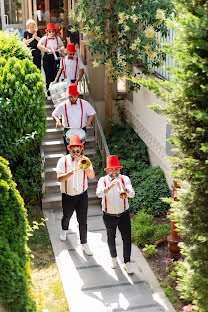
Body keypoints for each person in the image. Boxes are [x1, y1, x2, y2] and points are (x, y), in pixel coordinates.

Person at [96, 155, 135, 274]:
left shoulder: (125, 179)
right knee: (111, 237)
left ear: (119, 170)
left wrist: (123, 188)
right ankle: (113, 259)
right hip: (109, 215)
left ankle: (127, 263)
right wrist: (109, 187)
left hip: (123, 214)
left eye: (116, 170)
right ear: (107, 170)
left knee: (127, 238)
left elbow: (132, 194)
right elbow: (98, 194)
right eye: (112, 170)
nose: (114, 172)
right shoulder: (102, 181)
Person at [56, 134, 95, 256]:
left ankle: (84, 243)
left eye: (78, 150)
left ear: (81, 149)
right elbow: (59, 178)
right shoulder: (63, 160)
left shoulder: (85, 160)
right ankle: (64, 230)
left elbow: (92, 176)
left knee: (82, 220)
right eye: (73, 150)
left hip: (82, 195)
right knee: (67, 215)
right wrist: (72, 171)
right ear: (69, 149)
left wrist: (84, 167)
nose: (76, 152)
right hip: (68, 195)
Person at [52, 83, 96, 153]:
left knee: (80, 153)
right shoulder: (63, 105)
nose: (73, 99)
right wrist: (57, 121)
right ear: (68, 96)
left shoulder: (84, 103)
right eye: (71, 97)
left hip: (81, 130)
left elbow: (92, 113)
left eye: (74, 97)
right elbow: (54, 114)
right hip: (68, 130)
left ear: (77, 95)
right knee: (69, 152)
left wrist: (89, 121)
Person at [37, 23, 64, 100]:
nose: (51, 33)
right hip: (47, 57)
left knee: (56, 76)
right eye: (50, 31)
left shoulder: (57, 39)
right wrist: (47, 50)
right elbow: (39, 45)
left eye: (53, 31)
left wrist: (60, 51)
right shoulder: (44, 38)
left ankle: (56, 93)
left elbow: (62, 46)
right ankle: (49, 93)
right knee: (48, 76)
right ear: (47, 32)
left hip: (56, 57)